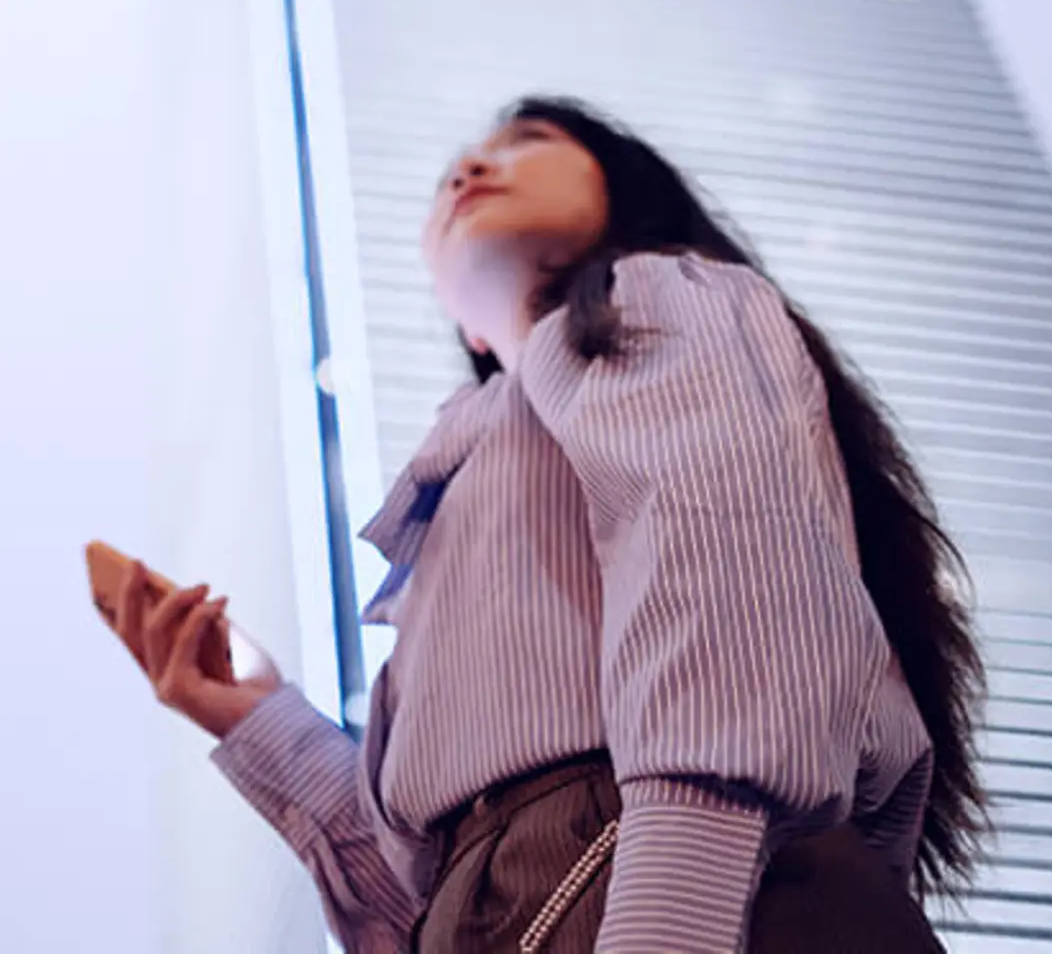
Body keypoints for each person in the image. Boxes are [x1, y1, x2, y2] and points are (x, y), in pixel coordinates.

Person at [122, 96, 987, 953]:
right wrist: (254, 714)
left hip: (681, 884)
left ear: (628, 196)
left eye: (527, 142)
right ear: (466, 325)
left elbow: (727, 573)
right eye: (455, 170)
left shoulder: (649, 297)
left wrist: (670, 921)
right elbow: (433, 898)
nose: (469, 168)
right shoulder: (465, 470)